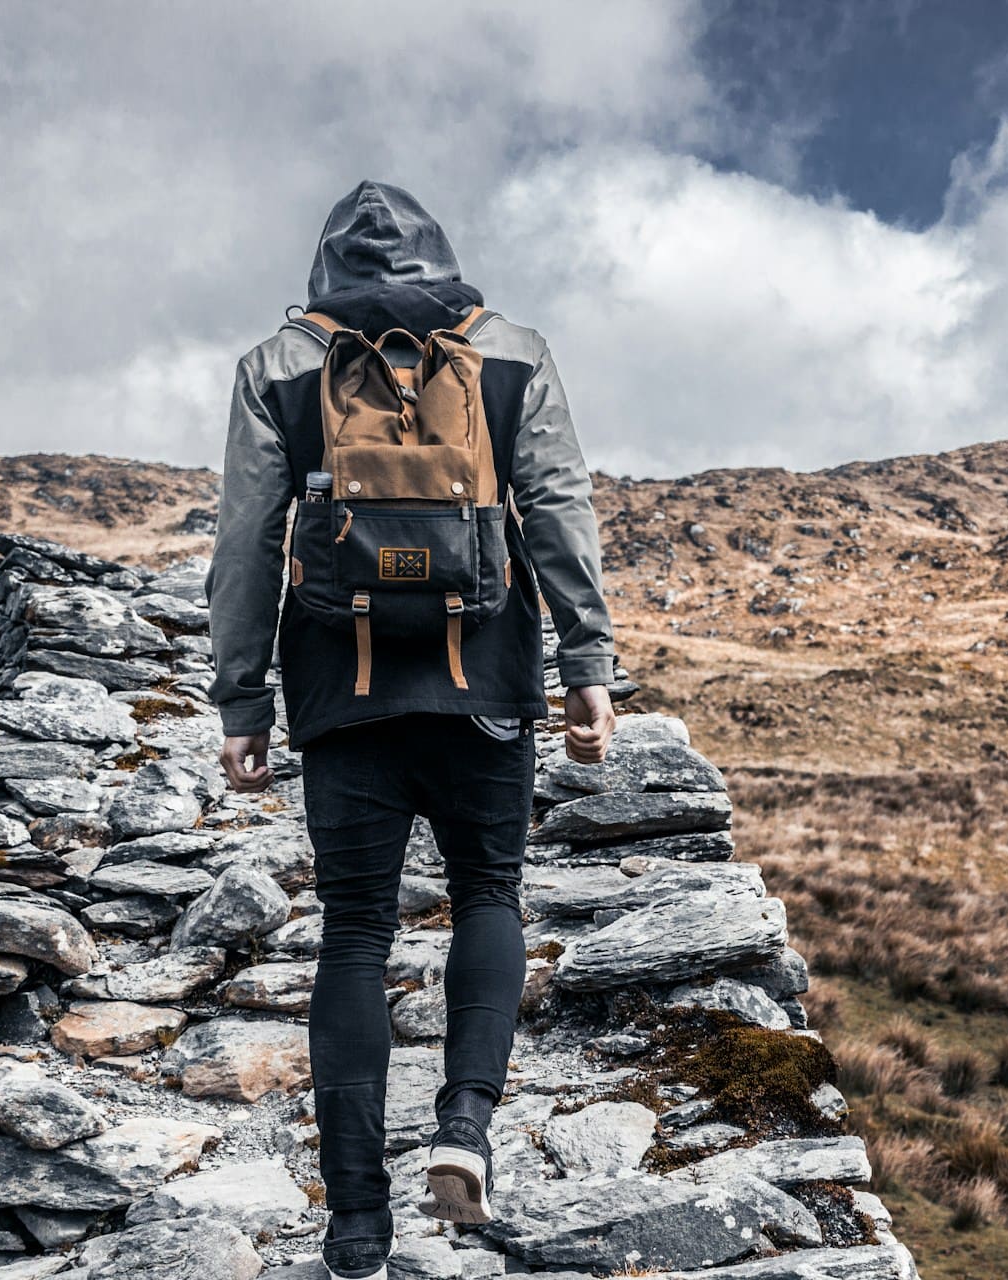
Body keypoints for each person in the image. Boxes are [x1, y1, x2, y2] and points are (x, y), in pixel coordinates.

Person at [205, 180, 618, 1280]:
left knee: (354, 932)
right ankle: (465, 1127)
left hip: (343, 690)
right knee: (489, 894)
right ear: (441, 253)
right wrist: (588, 663)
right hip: (483, 678)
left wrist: (243, 698)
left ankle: (354, 1225)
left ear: (324, 268)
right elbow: (560, 505)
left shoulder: (279, 365)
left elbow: (246, 540)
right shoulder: (511, 350)